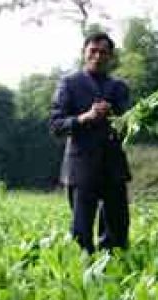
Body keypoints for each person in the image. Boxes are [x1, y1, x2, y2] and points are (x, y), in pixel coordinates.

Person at [50, 31, 131, 253]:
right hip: (81, 166)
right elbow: (56, 125)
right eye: (93, 51)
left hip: (113, 165)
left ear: (110, 56)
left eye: (103, 52)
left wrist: (116, 117)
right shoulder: (69, 84)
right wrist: (85, 117)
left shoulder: (119, 87)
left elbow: (128, 126)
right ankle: (84, 274)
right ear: (84, 53)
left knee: (117, 227)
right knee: (81, 230)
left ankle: (114, 269)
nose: (97, 56)